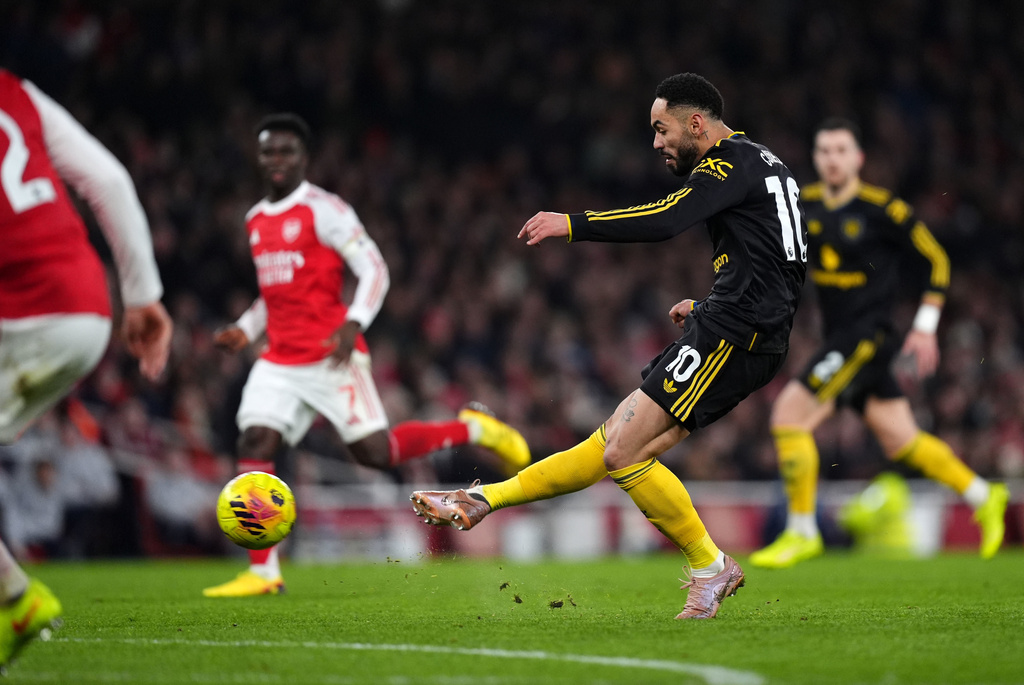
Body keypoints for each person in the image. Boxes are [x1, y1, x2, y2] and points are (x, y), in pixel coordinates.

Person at [411, 73, 807, 619]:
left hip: (737, 335)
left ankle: (710, 566)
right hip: (740, 328)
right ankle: (484, 499)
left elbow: (667, 219)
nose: (656, 142)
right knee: (613, 444)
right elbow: (780, 258)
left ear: (696, 123)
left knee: (623, 452)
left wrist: (571, 223)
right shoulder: (764, 161)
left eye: (661, 129)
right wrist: (712, 303)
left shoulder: (725, 163)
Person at [202, 113, 530, 598]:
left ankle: (475, 428)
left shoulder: (325, 209)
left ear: (303, 158)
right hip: (278, 360)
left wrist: (354, 321)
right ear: (258, 157)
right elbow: (273, 295)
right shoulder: (255, 220)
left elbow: (374, 267)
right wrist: (245, 328)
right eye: (268, 151)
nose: (276, 160)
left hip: (332, 356)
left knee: (377, 453)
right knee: (255, 438)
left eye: (286, 151)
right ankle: (264, 571)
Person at [748, 118, 1008, 569]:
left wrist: (925, 327)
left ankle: (802, 531)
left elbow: (936, 260)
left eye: (841, 150)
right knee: (903, 441)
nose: (832, 159)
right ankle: (985, 494)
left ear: (858, 159)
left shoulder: (882, 209)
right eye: (824, 151)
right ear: (816, 158)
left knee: (789, 416)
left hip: (867, 336)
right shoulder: (802, 204)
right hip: (842, 338)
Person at [0, 69, 172, 669]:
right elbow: (109, 178)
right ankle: (17, 599)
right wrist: (144, 296)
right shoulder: (13, 90)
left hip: (20, 308)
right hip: (87, 310)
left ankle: (19, 598)